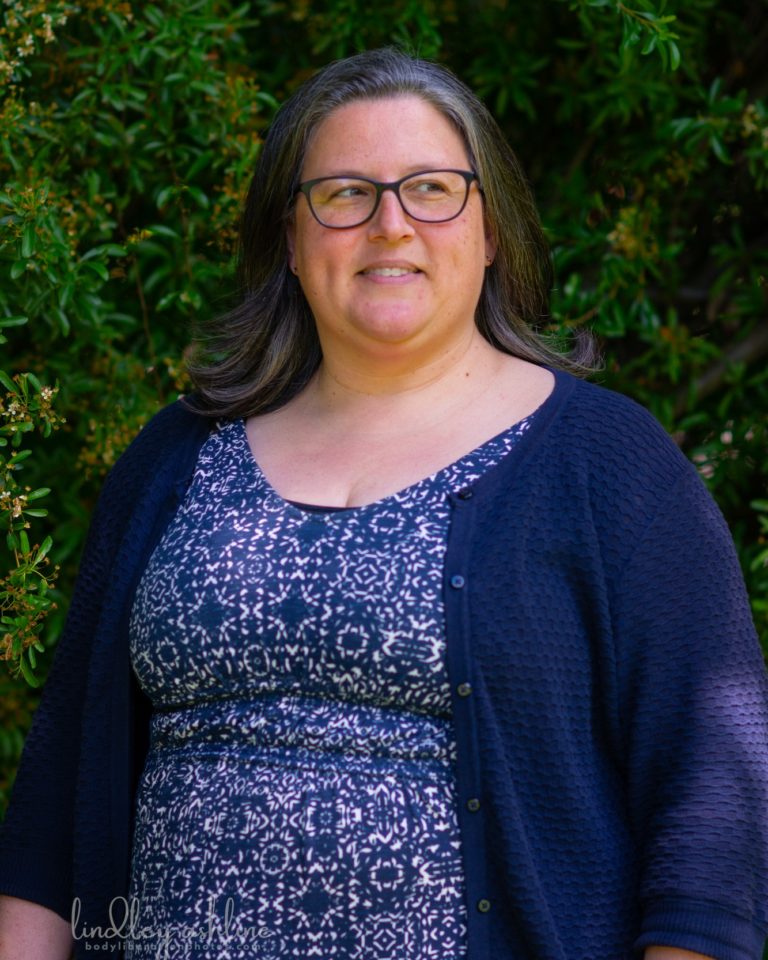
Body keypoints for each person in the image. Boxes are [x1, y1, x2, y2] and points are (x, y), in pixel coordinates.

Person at [0, 47, 766, 960]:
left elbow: (715, 809)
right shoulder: (176, 457)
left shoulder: (607, 465)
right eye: (345, 193)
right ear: (290, 236)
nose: (390, 224)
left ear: (490, 228)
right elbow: (54, 806)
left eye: (433, 188)